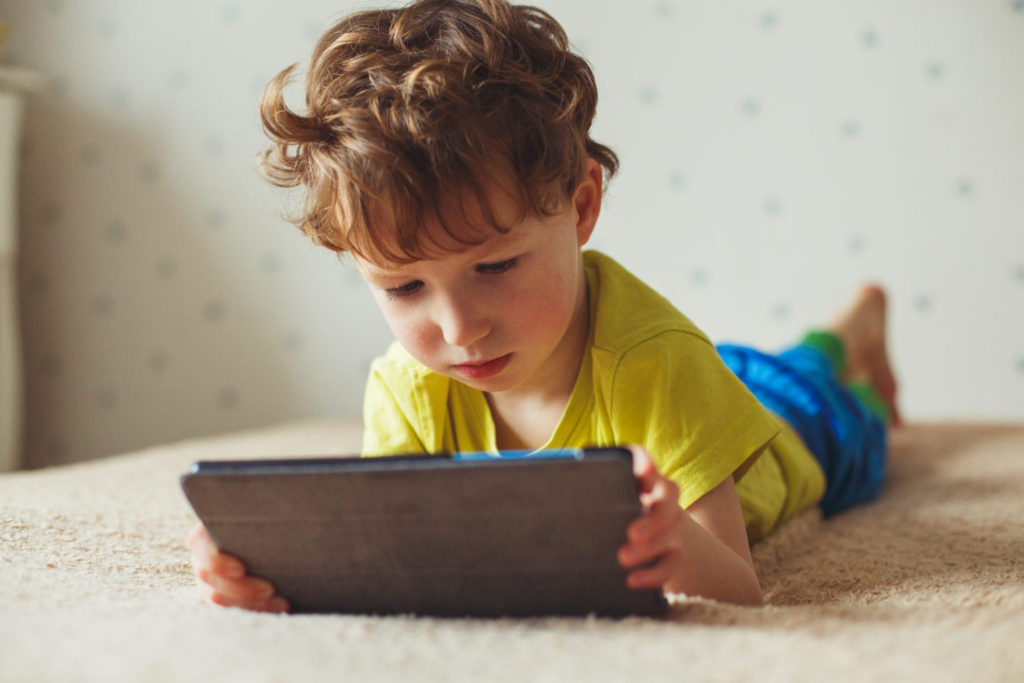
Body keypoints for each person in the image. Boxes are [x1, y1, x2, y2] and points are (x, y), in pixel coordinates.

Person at [188, 0, 900, 613]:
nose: (460, 328)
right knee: (773, 364)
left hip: (794, 425)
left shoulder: (660, 365)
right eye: (405, 287)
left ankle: (858, 334)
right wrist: (263, 573)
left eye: (494, 266)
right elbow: (394, 560)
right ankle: (845, 329)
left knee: (832, 398)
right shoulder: (407, 388)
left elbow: (739, 588)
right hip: (717, 380)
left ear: (582, 205)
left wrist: (675, 543)